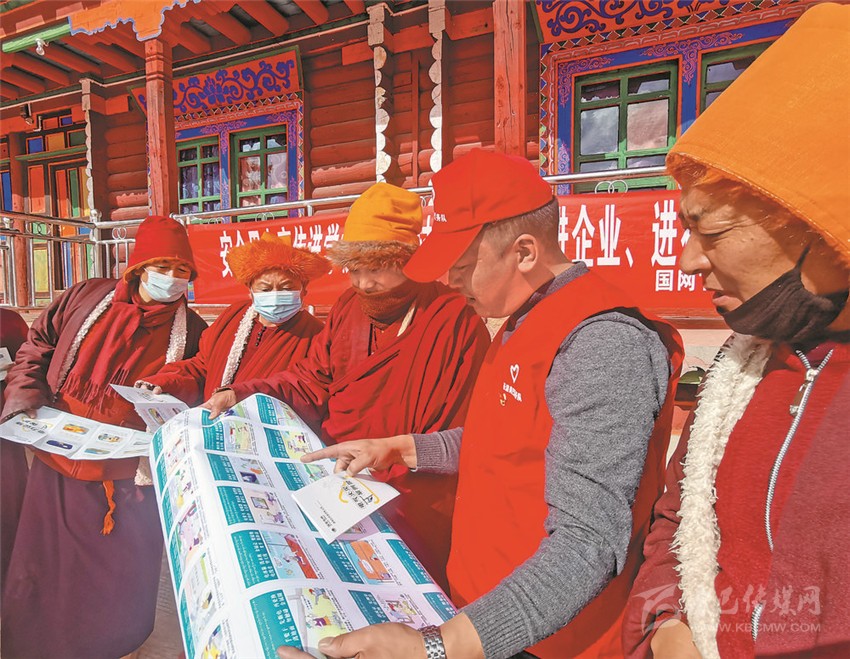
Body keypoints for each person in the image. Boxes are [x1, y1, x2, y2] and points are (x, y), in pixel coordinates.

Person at [283, 149, 684, 659]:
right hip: (482, 615)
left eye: (462, 265)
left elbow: (588, 541)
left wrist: (438, 648)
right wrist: (399, 448)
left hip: (546, 637)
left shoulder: (601, 341)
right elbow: (510, 439)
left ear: (524, 252)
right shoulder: (522, 319)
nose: (451, 281)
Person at [621, 5, 850, 657]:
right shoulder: (743, 364)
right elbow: (673, 521)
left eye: (713, 231)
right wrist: (666, 625)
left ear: (825, 228)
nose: (687, 259)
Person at [203, 182, 491, 589]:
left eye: (376, 268)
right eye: (354, 269)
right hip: (338, 480)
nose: (364, 284)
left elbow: (463, 430)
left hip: (411, 496)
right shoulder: (347, 307)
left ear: (409, 260)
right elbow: (312, 379)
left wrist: (394, 459)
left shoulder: (453, 321)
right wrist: (242, 392)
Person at [0, 215, 208, 659]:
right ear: (139, 266)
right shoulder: (88, 297)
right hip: (57, 455)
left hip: (126, 471)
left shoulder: (192, 330)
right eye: (162, 266)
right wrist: (24, 394)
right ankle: (37, 643)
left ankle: (114, 644)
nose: (172, 278)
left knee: (118, 567)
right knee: (48, 559)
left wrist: (169, 388)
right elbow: (37, 344)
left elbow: (197, 380)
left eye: (182, 270)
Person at [137, 233, 328, 404]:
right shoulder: (234, 316)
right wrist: (165, 382)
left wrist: (241, 395)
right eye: (265, 289)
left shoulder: (316, 335)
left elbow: (305, 391)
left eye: (286, 288)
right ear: (250, 291)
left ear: (304, 290)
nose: (275, 295)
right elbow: (202, 367)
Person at [0, 308, 31, 589]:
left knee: (8, 508)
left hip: (4, 436)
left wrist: (15, 376)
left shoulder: (8, 322)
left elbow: (30, 364)